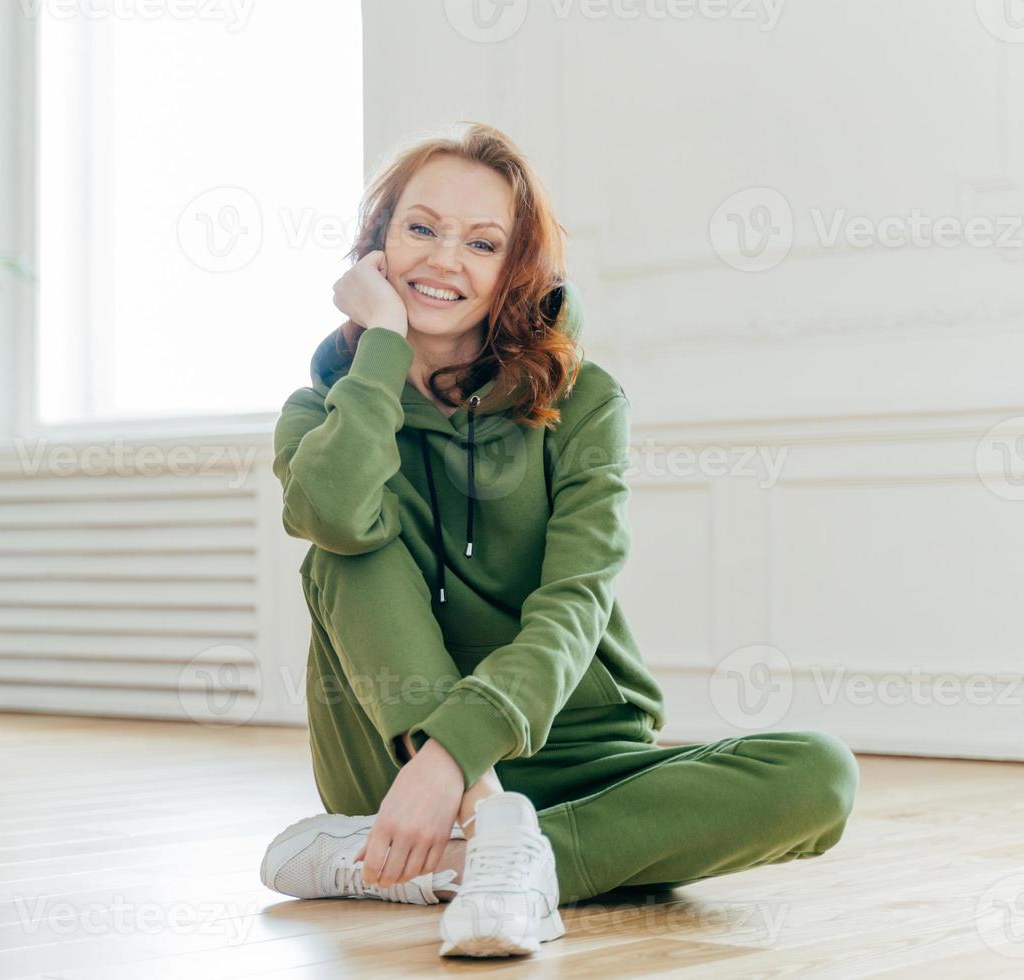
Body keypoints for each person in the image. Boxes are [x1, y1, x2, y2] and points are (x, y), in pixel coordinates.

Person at [258, 122, 860, 959]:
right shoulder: (321, 411)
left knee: (820, 774)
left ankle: (469, 862)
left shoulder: (585, 402)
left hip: (577, 756)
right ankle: (488, 838)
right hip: (394, 772)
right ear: (376, 247)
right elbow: (331, 515)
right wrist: (385, 347)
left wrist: (463, 750)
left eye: (483, 242)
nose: (443, 260)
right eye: (421, 229)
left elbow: (577, 599)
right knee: (345, 546)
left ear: (516, 272)